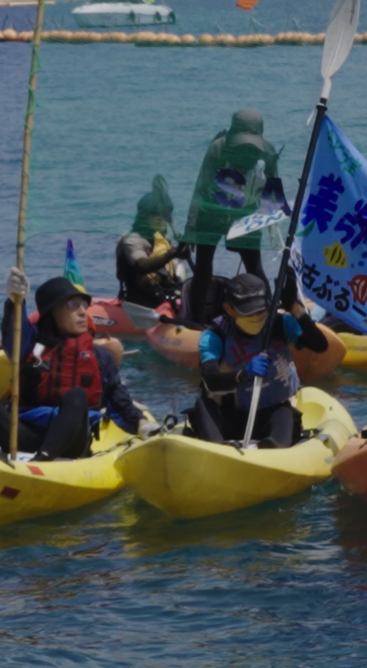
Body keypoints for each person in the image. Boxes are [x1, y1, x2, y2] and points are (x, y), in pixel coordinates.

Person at [0, 271, 150, 459]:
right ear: (52, 311)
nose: (82, 312)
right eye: (73, 305)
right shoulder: (31, 346)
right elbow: (15, 334)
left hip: (71, 441)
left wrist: (141, 423)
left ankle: (44, 457)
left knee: (76, 395)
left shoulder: (99, 355)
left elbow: (118, 398)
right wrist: (15, 302)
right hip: (23, 433)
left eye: (83, 304)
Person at [188, 272, 331, 448]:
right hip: (228, 416)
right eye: (249, 312)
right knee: (203, 405)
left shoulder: (280, 324)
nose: (257, 316)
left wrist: (296, 310)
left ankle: (274, 447)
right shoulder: (214, 336)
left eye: (261, 310)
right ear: (229, 309)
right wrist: (243, 375)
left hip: (269, 414)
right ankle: (217, 447)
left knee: (284, 412)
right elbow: (211, 380)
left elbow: (320, 345)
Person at [182, 110, 280, 322]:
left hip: (245, 216)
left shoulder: (268, 151)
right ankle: (196, 321)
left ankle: (269, 318)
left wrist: (270, 221)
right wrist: (189, 231)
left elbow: (273, 191)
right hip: (211, 213)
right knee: (203, 270)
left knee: (255, 269)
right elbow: (201, 188)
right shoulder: (218, 148)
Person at [115, 178, 188, 310]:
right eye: (155, 215)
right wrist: (171, 254)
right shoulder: (133, 240)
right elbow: (141, 266)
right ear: (144, 217)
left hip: (164, 295)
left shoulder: (162, 239)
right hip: (140, 301)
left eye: (163, 215)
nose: (161, 219)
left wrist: (182, 252)